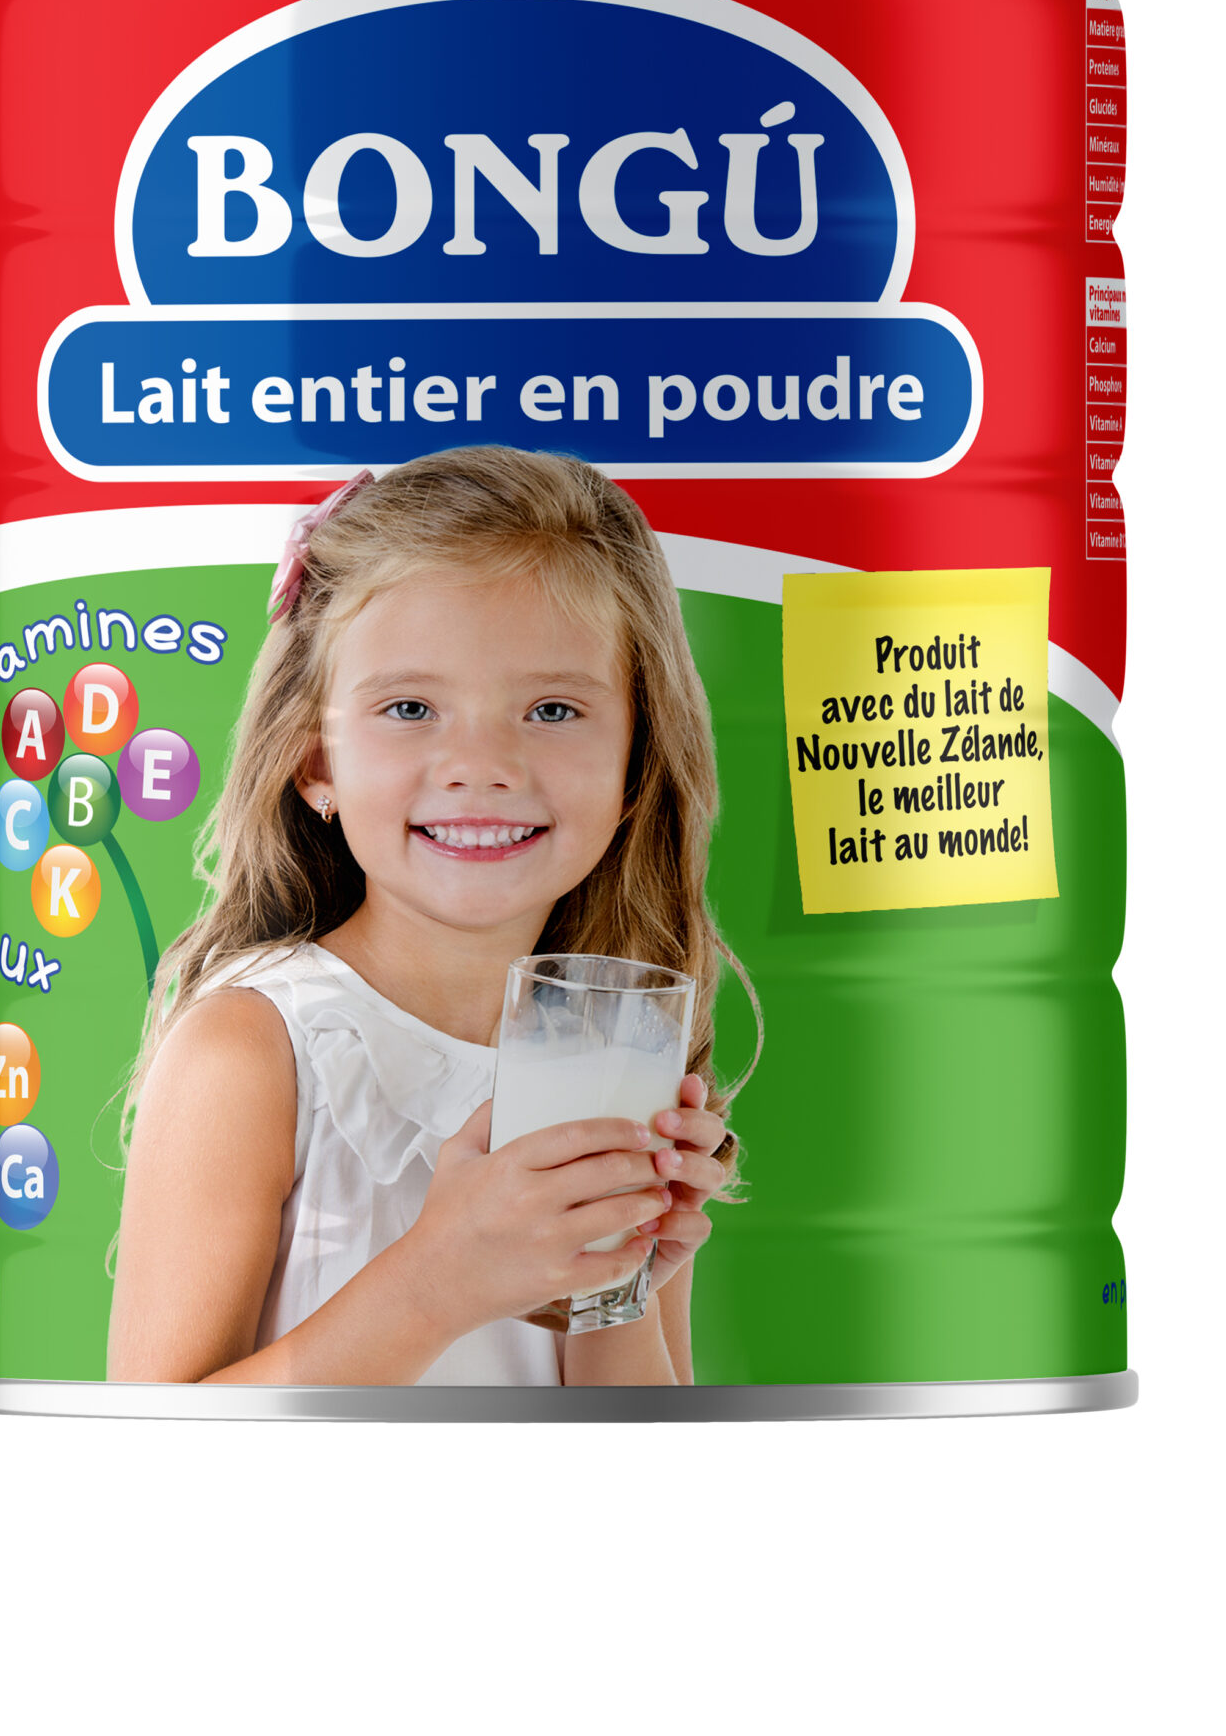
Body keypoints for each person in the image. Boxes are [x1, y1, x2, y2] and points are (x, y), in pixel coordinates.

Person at [107, 447, 751, 1386]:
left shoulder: (623, 1062)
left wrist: (619, 1282)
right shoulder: (251, 1051)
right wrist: (441, 1281)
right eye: (410, 707)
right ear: (316, 761)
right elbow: (153, 1448)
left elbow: (633, 1456)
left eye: (553, 710)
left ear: (634, 768)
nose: (482, 766)